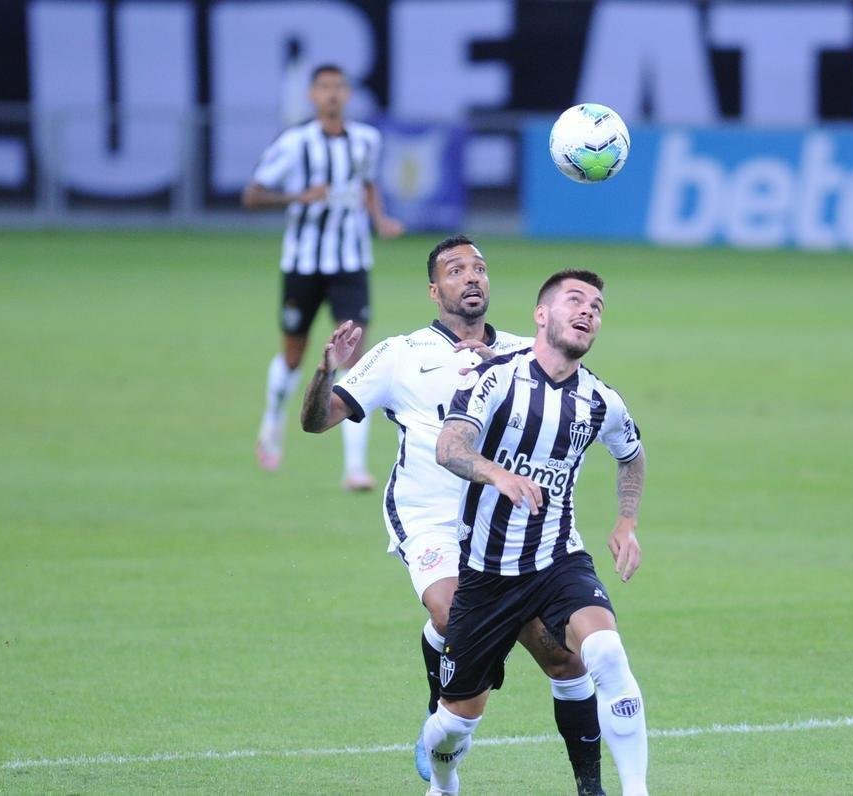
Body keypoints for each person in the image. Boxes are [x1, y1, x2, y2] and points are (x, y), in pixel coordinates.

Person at [300, 237, 607, 795]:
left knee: (564, 660)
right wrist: (326, 371)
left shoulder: (523, 350)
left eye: (480, 269)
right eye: (456, 270)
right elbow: (318, 420)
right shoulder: (400, 353)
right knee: (450, 615)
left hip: (512, 528)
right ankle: (443, 692)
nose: (471, 278)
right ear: (433, 289)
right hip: (430, 516)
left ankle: (591, 786)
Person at [425, 269, 649, 796]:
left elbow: (632, 456)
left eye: (596, 306)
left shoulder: (600, 401)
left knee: (608, 655)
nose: (588, 311)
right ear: (541, 315)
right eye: (575, 300)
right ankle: (443, 780)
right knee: (455, 722)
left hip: (557, 560)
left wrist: (626, 519)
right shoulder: (496, 377)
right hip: (485, 573)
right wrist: (496, 473)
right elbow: (450, 447)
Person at [243, 63, 404, 487]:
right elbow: (252, 195)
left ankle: (354, 467)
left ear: (348, 95)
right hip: (303, 265)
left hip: (351, 263)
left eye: (339, 87)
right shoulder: (296, 143)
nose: (332, 94)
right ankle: (273, 421)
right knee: (294, 355)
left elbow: (368, 184)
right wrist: (299, 196)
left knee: (354, 358)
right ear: (312, 96)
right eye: (324, 87)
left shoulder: (367, 140)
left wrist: (380, 219)